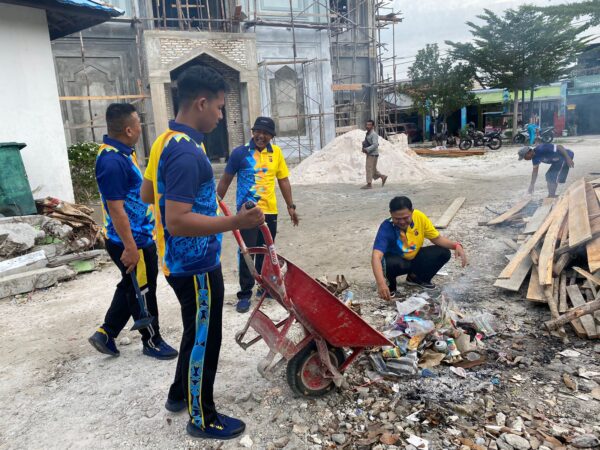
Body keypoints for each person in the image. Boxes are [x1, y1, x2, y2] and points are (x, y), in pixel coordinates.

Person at [140, 66, 264, 440]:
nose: (222, 116)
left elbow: (149, 195)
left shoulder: (166, 142)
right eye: (221, 108)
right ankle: (202, 417)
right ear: (201, 102)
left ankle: (179, 395)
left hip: (177, 261)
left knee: (196, 330)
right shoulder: (188, 155)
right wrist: (236, 222)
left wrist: (202, 203)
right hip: (194, 264)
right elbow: (177, 221)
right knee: (205, 338)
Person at [88, 103, 178, 360]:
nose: (141, 128)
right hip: (130, 240)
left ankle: (106, 333)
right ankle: (152, 341)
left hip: (137, 236)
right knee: (143, 290)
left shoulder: (123, 153)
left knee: (130, 286)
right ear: (129, 129)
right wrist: (130, 247)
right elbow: (115, 209)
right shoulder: (112, 161)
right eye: (138, 124)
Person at [217, 116, 299, 313]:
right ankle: (245, 293)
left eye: (266, 133)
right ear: (253, 132)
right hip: (247, 213)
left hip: (270, 211)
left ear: (271, 136)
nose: (261, 136)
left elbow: (284, 180)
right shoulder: (240, 154)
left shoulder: (277, 153)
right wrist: (216, 203)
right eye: (258, 132)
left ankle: (264, 288)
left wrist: (291, 206)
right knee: (247, 252)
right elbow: (226, 180)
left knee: (267, 250)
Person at [371, 196, 467, 299]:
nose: (402, 222)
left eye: (405, 218)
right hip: (396, 262)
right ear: (391, 214)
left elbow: (436, 238)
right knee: (388, 261)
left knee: (443, 252)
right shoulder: (386, 227)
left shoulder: (419, 217)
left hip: (414, 257)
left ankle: (415, 278)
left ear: (412, 212)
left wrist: (456, 245)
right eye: (397, 219)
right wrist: (380, 283)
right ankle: (390, 286)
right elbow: (376, 256)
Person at [361, 119, 387, 189]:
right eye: (367, 125)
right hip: (371, 154)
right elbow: (369, 142)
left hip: (372, 154)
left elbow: (375, 144)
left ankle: (369, 184)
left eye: (369, 125)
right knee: (373, 170)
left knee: (369, 169)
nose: (367, 126)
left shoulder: (374, 134)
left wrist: (367, 149)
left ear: (373, 126)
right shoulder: (368, 134)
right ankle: (383, 177)